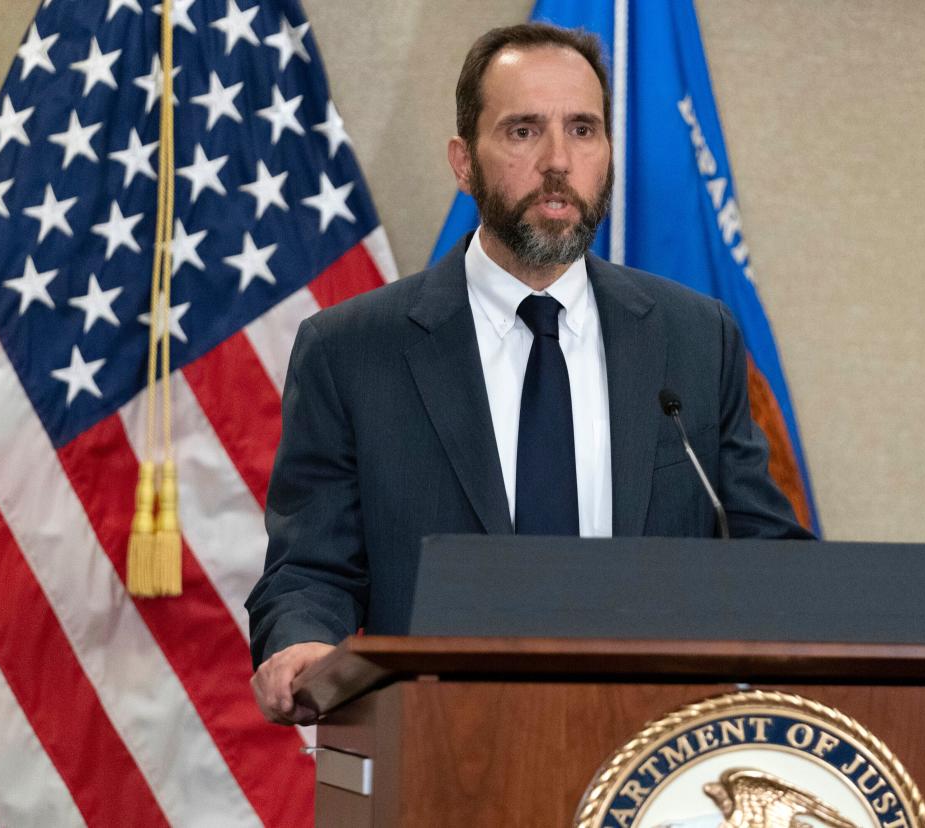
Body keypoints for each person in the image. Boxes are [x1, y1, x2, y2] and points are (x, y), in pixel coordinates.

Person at [246, 22, 813, 725]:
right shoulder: (354, 351)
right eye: (522, 131)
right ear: (463, 161)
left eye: (583, 130)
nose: (557, 161)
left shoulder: (695, 339)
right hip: (445, 752)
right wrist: (303, 641)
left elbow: (766, 553)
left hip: (655, 752)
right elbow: (310, 567)